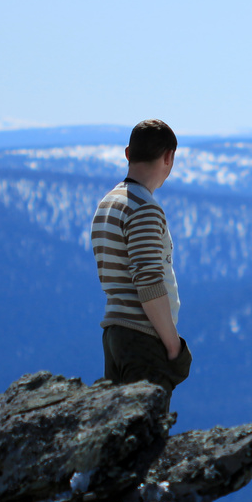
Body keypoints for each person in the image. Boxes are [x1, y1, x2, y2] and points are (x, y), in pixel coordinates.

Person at [90, 119, 192, 395]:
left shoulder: (108, 203)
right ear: (168, 157)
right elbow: (148, 281)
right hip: (143, 338)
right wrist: (173, 345)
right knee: (145, 432)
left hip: (114, 334)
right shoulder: (144, 209)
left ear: (128, 154)